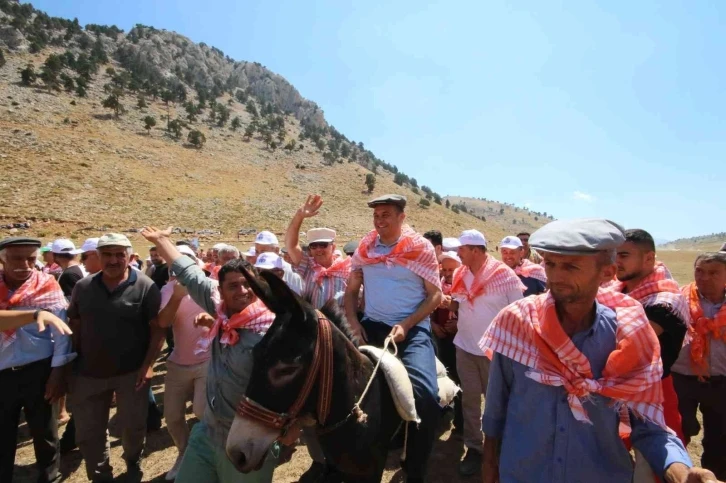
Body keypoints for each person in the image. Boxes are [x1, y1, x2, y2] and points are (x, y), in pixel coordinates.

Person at [479, 219, 710, 483]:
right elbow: (496, 409)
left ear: (607, 272)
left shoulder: (629, 335)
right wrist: (489, 465)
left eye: (571, 266)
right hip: (523, 473)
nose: (556, 276)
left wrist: (680, 472)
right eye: (551, 264)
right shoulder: (517, 322)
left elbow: (648, 425)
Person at [140, 226, 280, 483]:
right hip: (209, 429)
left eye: (248, 284)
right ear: (222, 292)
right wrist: (162, 240)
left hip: (248, 438)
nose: (242, 291)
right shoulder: (219, 308)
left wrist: (291, 430)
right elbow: (190, 273)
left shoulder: (272, 328)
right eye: (234, 286)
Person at [344, 194, 442, 483]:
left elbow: (435, 295)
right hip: (371, 327)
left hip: (410, 331)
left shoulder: (420, 248)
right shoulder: (365, 247)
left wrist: (407, 324)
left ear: (402, 217)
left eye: (386, 214)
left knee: (425, 397)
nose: (380, 220)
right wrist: (352, 322)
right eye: (376, 215)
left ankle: (415, 468)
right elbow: (351, 292)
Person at [67, 233, 164, 482]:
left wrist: (149, 365)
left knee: (133, 427)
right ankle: (101, 475)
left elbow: (157, 329)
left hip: (132, 373)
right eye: (107, 254)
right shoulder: (83, 287)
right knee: (89, 432)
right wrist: (70, 365)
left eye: (119, 254)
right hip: (88, 373)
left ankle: (133, 460)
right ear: (98, 257)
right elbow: (75, 326)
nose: (113, 260)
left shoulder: (145, 286)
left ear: (129, 257)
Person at [614, 229, 690, 480]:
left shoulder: (664, 301)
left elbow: (626, 341)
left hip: (655, 394)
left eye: (624, 255)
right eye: (614, 254)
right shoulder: (616, 292)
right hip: (614, 390)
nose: (617, 261)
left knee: (653, 469)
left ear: (649, 259)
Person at [450, 229, 524, 476]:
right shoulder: (461, 273)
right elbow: (459, 301)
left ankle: (500, 450)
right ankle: (474, 448)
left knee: (497, 404)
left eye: (461, 248)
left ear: (475, 250)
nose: (458, 253)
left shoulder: (505, 275)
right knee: (470, 400)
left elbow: (520, 313)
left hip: (496, 352)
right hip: (464, 346)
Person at [0, 237, 74, 483]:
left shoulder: (48, 285)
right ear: (2, 258)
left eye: (31, 258)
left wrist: (57, 373)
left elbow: (61, 335)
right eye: (16, 258)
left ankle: (49, 477)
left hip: (39, 371)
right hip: (2, 372)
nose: (25, 264)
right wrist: (34, 315)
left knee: (45, 433)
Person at [157, 244, 214, 481]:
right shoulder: (168, 290)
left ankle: (207, 454)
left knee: (201, 410)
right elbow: (163, 323)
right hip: (178, 362)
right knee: (172, 417)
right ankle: (184, 452)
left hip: (207, 360)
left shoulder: (210, 288)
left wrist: (210, 320)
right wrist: (177, 297)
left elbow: (223, 315)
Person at [671, 251, 726, 479]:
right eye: (699, 271)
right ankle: (677, 474)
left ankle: (714, 477)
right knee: (680, 430)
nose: (704, 277)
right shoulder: (678, 299)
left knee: (720, 437)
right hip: (681, 378)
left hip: (721, 381)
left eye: (713, 273)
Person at [285, 195, 351, 308]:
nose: (318, 249)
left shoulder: (346, 269)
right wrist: (299, 216)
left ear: (333, 247)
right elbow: (291, 245)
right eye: (313, 246)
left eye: (323, 245)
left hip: (339, 324)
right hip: (313, 324)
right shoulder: (307, 265)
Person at [431, 251, 463, 433]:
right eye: (446, 269)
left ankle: (461, 422)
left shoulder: (468, 287)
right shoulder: (437, 285)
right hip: (440, 339)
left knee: (461, 380)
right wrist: (434, 325)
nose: (449, 272)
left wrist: (459, 324)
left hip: (460, 341)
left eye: (453, 269)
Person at [255, 230, 304, 295]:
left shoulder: (292, 272)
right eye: (257, 251)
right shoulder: (256, 268)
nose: (259, 255)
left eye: (263, 251)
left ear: (276, 250)